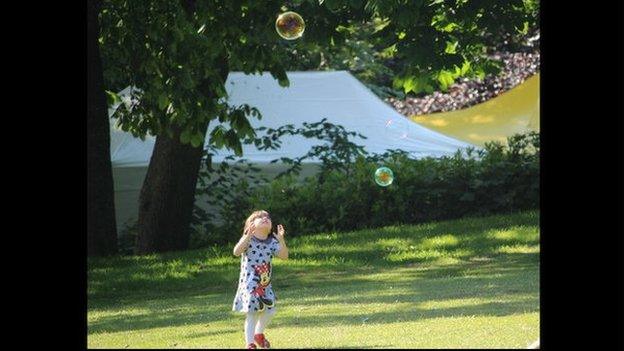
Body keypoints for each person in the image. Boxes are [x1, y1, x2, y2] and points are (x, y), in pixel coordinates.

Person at [232, 210, 289, 349]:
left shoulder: (272, 242)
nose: (265, 218)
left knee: (270, 311)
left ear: (270, 227)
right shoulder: (248, 240)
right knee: (252, 314)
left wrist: (281, 240)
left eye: (268, 218)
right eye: (260, 217)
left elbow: (284, 256)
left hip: (265, 285)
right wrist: (246, 237)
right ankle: (250, 344)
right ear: (251, 224)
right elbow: (236, 252)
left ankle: (258, 334)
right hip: (250, 285)